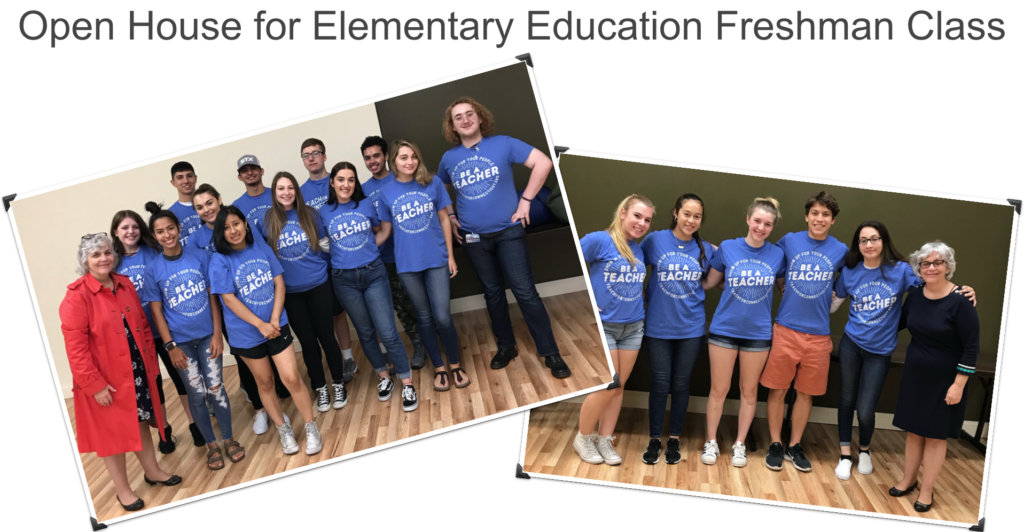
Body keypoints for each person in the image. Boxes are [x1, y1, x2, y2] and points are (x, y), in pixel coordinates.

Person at [435, 96, 571, 379]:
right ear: (453, 126)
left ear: (480, 117)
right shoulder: (449, 159)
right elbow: (439, 191)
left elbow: (543, 163)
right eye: (458, 117)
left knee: (525, 292)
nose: (465, 119)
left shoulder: (504, 144)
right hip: (473, 238)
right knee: (493, 294)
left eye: (469, 113)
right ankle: (506, 346)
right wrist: (450, 216)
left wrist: (526, 201)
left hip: (509, 233)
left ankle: (550, 352)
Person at [832, 223, 976, 481]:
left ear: (884, 242)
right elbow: (833, 302)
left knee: (865, 409)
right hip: (852, 344)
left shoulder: (900, 271)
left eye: (874, 239)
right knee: (846, 400)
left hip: (881, 350)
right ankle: (845, 454)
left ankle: (864, 449)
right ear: (858, 245)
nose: (869, 244)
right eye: (863, 240)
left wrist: (963, 290)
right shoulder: (850, 271)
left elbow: (933, 285)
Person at [59, 233, 181, 512]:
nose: (103, 259)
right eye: (95, 255)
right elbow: (75, 348)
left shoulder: (124, 284)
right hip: (105, 380)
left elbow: (143, 327)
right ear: (85, 261)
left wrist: (151, 365)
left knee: (139, 421)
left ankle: (153, 471)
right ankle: (123, 490)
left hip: (135, 371)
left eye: (106, 253)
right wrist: (95, 385)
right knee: (110, 435)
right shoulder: (77, 296)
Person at [208, 205, 322, 456]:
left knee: (291, 378)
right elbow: (229, 299)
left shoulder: (261, 248)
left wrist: (273, 320)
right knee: (265, 381)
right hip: (246, 335)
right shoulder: (219, 260)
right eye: (226, 228)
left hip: (276, 325)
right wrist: (260, 325)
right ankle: (283, 428)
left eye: (236, 224)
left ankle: (311, 426)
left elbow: (279, 283)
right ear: (220, 232)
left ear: (245, 224)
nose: (233, 230)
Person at [140, 203, 244, 470]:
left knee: (216, 388)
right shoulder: (153, 269)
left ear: (179, 228)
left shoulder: (199, 256)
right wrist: (170, 346)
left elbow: (213, 297)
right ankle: (211, 445)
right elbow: (157, 312)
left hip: (209, 336)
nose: (167, 235)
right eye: (160, 232)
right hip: (181, 344)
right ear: (154, 236)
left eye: (171, 228)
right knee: (196, 395)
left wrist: (218, 333)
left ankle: (229, 438)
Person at [760, 192, 848, 473]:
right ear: (807, 216)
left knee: (806, 394)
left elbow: (858, 276)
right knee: (778, 390)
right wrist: (782, 287)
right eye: (815, 213)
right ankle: (775, 443)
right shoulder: (789, 241)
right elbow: (773, 267)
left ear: (832, 220)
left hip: (820, 335)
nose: (819, 219)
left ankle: (794, 445)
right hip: (786, 329)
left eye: (825, 215)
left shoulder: (841, 251)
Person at [889, 242, 979, 512]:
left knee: (936, 436)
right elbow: (899, 322)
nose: (931, 267)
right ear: (919, 268)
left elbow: (971, 346)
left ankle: (926, 491)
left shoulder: (962, 301)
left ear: (948, 266)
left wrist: (959, 385)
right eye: (925, 263)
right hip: (915, 376)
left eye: (937, 262)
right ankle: (908, 480)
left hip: (946, 382)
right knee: (914, 432)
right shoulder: (915, 294)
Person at [322, 161, 418, 410]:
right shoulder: (323, 212)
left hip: (373, 273)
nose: (346, 184)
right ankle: (383, 377)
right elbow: (321, 245)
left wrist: (368, 250)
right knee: (365, 333)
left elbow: (381, 230)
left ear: (356, 183)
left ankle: (407, 382)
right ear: (332, 182)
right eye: (341, 179)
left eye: (351, 179)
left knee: (386, 332)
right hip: (344, 280)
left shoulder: (365, 204)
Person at [701, 197, 787, 468]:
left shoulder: (777, 255)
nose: (761, 227)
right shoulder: (727, 247)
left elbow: (784, 289)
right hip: (724, 329)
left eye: (768, 224)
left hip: (758, 333)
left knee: (749, 392)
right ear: (748, 220)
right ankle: (711, 441)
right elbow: (710, 283)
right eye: (757, 221)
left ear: (772, 227)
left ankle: (739, 444)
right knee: (719, 389)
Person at [376, 140, 467, 391]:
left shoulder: (433, 182)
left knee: (443, 317)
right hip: (407, 265)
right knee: (424, 318)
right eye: (403, 157)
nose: (410, 161)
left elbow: (444, 219)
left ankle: (456, 364)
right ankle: (439, 368)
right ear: (393, 161)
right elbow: (385, 232)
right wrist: (361, 249)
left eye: (414, 156)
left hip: (436, 259)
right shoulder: (386, 193)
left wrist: (450, 255)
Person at [574, 194, 655, 466]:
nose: (642, 223)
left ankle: (604, 438)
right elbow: (570, 261)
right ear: (622, 212)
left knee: (619, 388)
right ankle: (583, 437)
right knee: (608, 385)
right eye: (637, 216)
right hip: (605, 327)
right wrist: (586, 301)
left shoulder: (639, 249)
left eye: (647, 220)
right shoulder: (599, 240)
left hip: (633, 327)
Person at [260, 171, 349, 412]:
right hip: (290, 294)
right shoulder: (267, 220)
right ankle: (320, 387)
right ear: (274, 192)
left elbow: (324, 245)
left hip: (319, 285)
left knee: (327, 337)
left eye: (290, 187)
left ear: (296, 190)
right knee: (308, 343)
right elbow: (266, 257)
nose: (286, 192)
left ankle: (338, 383)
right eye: (281, 188)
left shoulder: (310, 214)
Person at [639, 194, 717, 465]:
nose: (691, 220)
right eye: (687, 214)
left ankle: (673, 439)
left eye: (697, 216)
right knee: (660, 384)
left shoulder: (706, 249)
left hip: (691, 329)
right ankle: (654, 439)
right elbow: (633, 267)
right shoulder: (654, 240)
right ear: (675, 213)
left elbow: (716, 279)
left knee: (681, 384)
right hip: (658, 326)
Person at [111, 210, 188, 451]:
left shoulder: (153, 250)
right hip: (137, 337)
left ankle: (194, 423)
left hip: (164, 328)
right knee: (154, 383)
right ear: (116, 232)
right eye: (124, 228)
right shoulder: (112, 261)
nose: (130, 231)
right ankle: (164, 430)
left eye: (134, 226)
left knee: (181, 377)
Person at [360, 135, 427, 370]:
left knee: (421, 301)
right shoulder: (363, 190)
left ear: (387, 156)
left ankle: (435, 340)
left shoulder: (404, 178)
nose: (372, 161)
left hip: (413, 254)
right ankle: (418, 344)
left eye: (376, 155)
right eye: (367, 158)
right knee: (400, 305)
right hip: (385, 259)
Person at [297, 138, 357, 381]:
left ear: (324, 156)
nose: (311, 158)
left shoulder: (340, 180)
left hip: (349, 258)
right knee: (333, 314)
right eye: (306, 155)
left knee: (350, 312)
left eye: (315, 153)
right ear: (303, 160)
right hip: (320, 266)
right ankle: (344, 360)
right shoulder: (300, 193)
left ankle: (355, 356)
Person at [167, 162, 203, 246]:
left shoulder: (209, 206)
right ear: (173, 183)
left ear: (195, 178)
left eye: (189, 176)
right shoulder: (170, 214)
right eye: (180, 177)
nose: (186, 181)